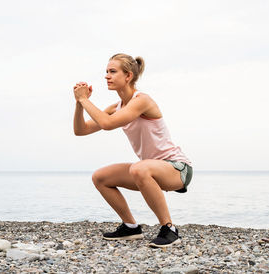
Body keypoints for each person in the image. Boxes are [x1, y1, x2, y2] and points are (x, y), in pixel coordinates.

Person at [73, 53, 193, 248]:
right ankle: (130, 227)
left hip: (178, 168)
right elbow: (81, 130)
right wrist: (79, 103)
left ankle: (169, 230)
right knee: (100, 177)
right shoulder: (116, 107)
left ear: (128, 76)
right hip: (149, 168)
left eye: (112, 72)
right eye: (106, 72)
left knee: (139, 168)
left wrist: (85, 99)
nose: (106, 76)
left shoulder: (142, 100)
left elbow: (108, 124)